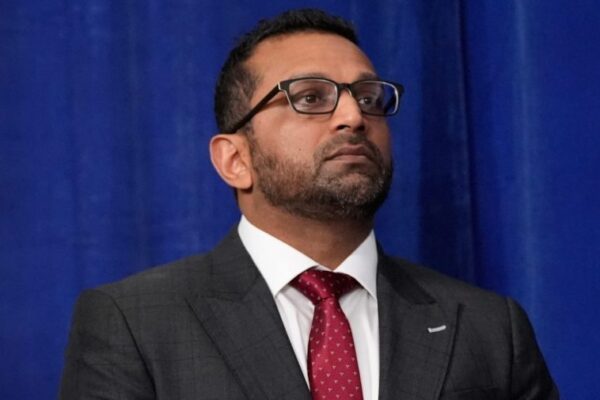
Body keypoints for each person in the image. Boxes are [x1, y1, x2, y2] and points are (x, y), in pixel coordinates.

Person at [59, 8, 558, 400]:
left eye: (369, 97)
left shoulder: (490, 329)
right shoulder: (134, 323)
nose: (353, 116)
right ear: (235, 160)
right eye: (311, 97)